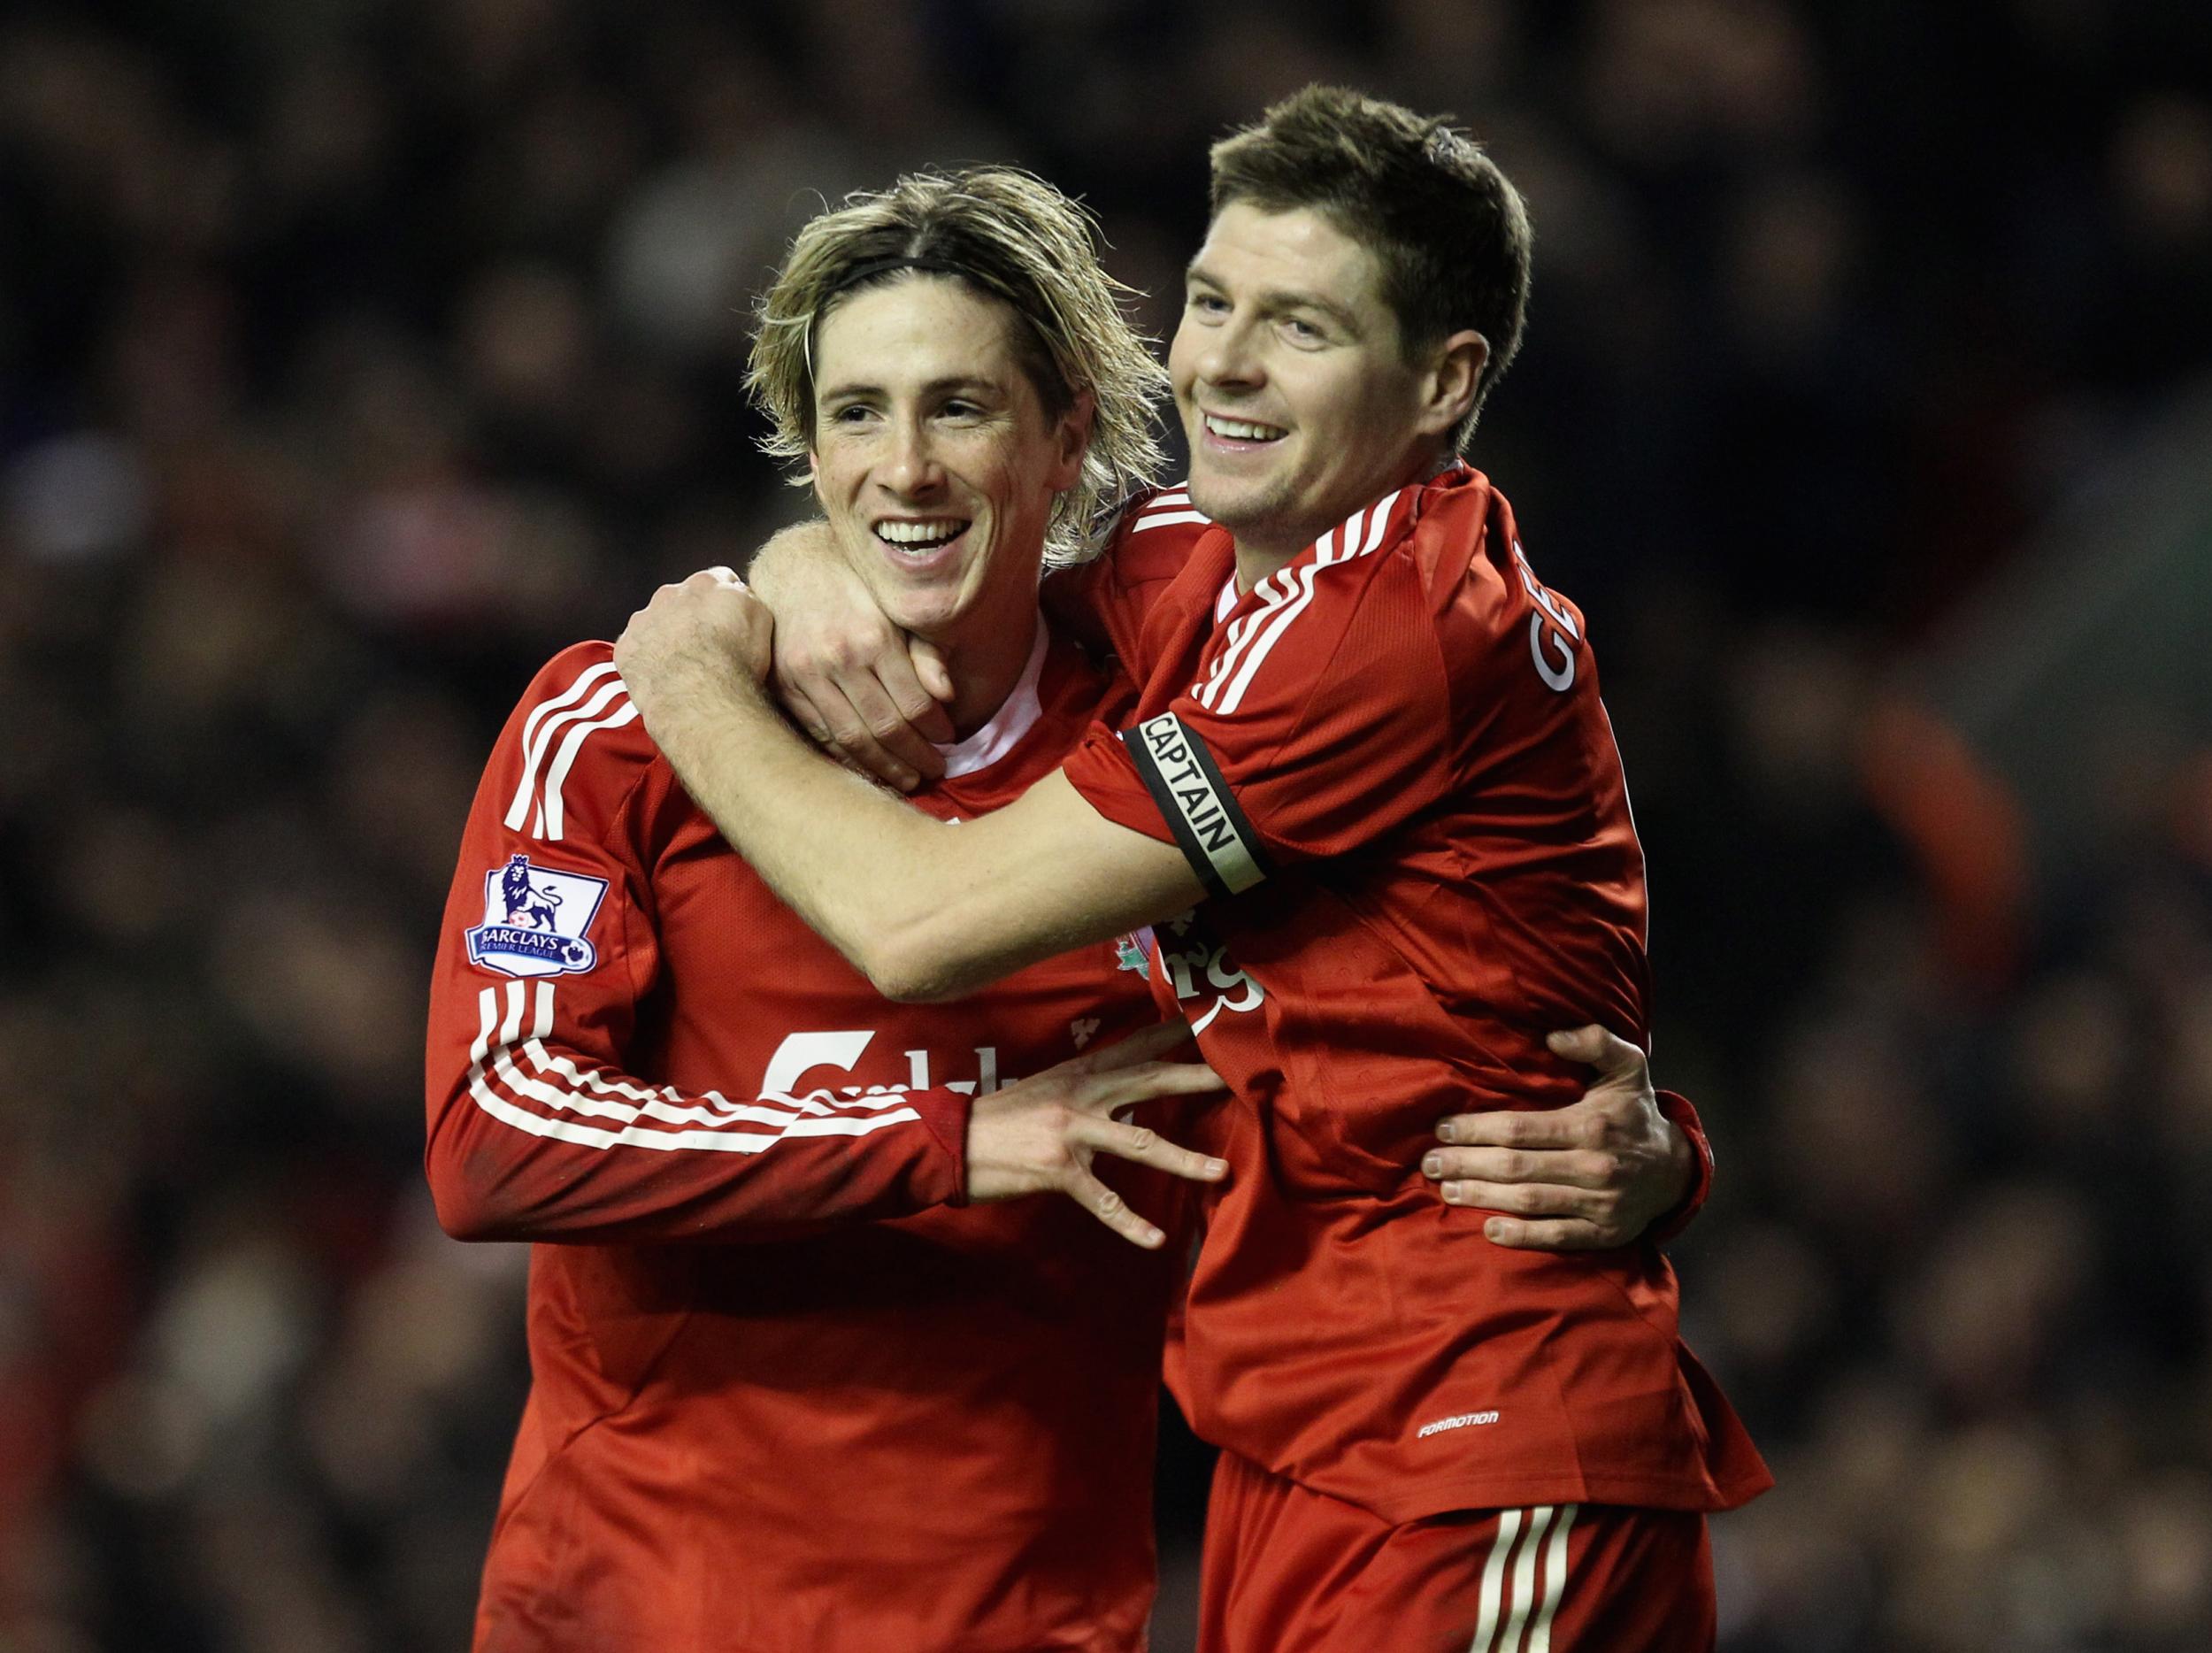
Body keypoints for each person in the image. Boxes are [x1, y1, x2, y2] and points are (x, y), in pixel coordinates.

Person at [427, 163, 1703, 1653]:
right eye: (855, 414)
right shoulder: (623, 726)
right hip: (637, 1612)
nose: (902, 469)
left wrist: (1650, 1153)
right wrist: (948, 1140)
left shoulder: (1183, 711)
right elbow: (494, 1138)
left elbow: (1414, 991)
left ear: (1069, 438)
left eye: (960, 409)